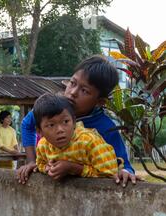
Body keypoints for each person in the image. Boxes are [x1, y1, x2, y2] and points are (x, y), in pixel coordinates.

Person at [16, 55, 140, 186]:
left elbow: (122, 162)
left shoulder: (105, 127)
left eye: (84, 91)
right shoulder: (50, 110)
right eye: (72, 83)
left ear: (100, 101)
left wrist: (125, 170)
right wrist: (31, 161)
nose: (73, 92)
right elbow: (27, 125)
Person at [34, 94, 118, 179]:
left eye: (65, 121)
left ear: (74, 122)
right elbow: (40, 164)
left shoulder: (89, 142)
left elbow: (110, 173)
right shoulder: (43, 146)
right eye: (51, 125)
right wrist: (47, 168)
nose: (60, 129)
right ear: (39, 131)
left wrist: (74, 168)